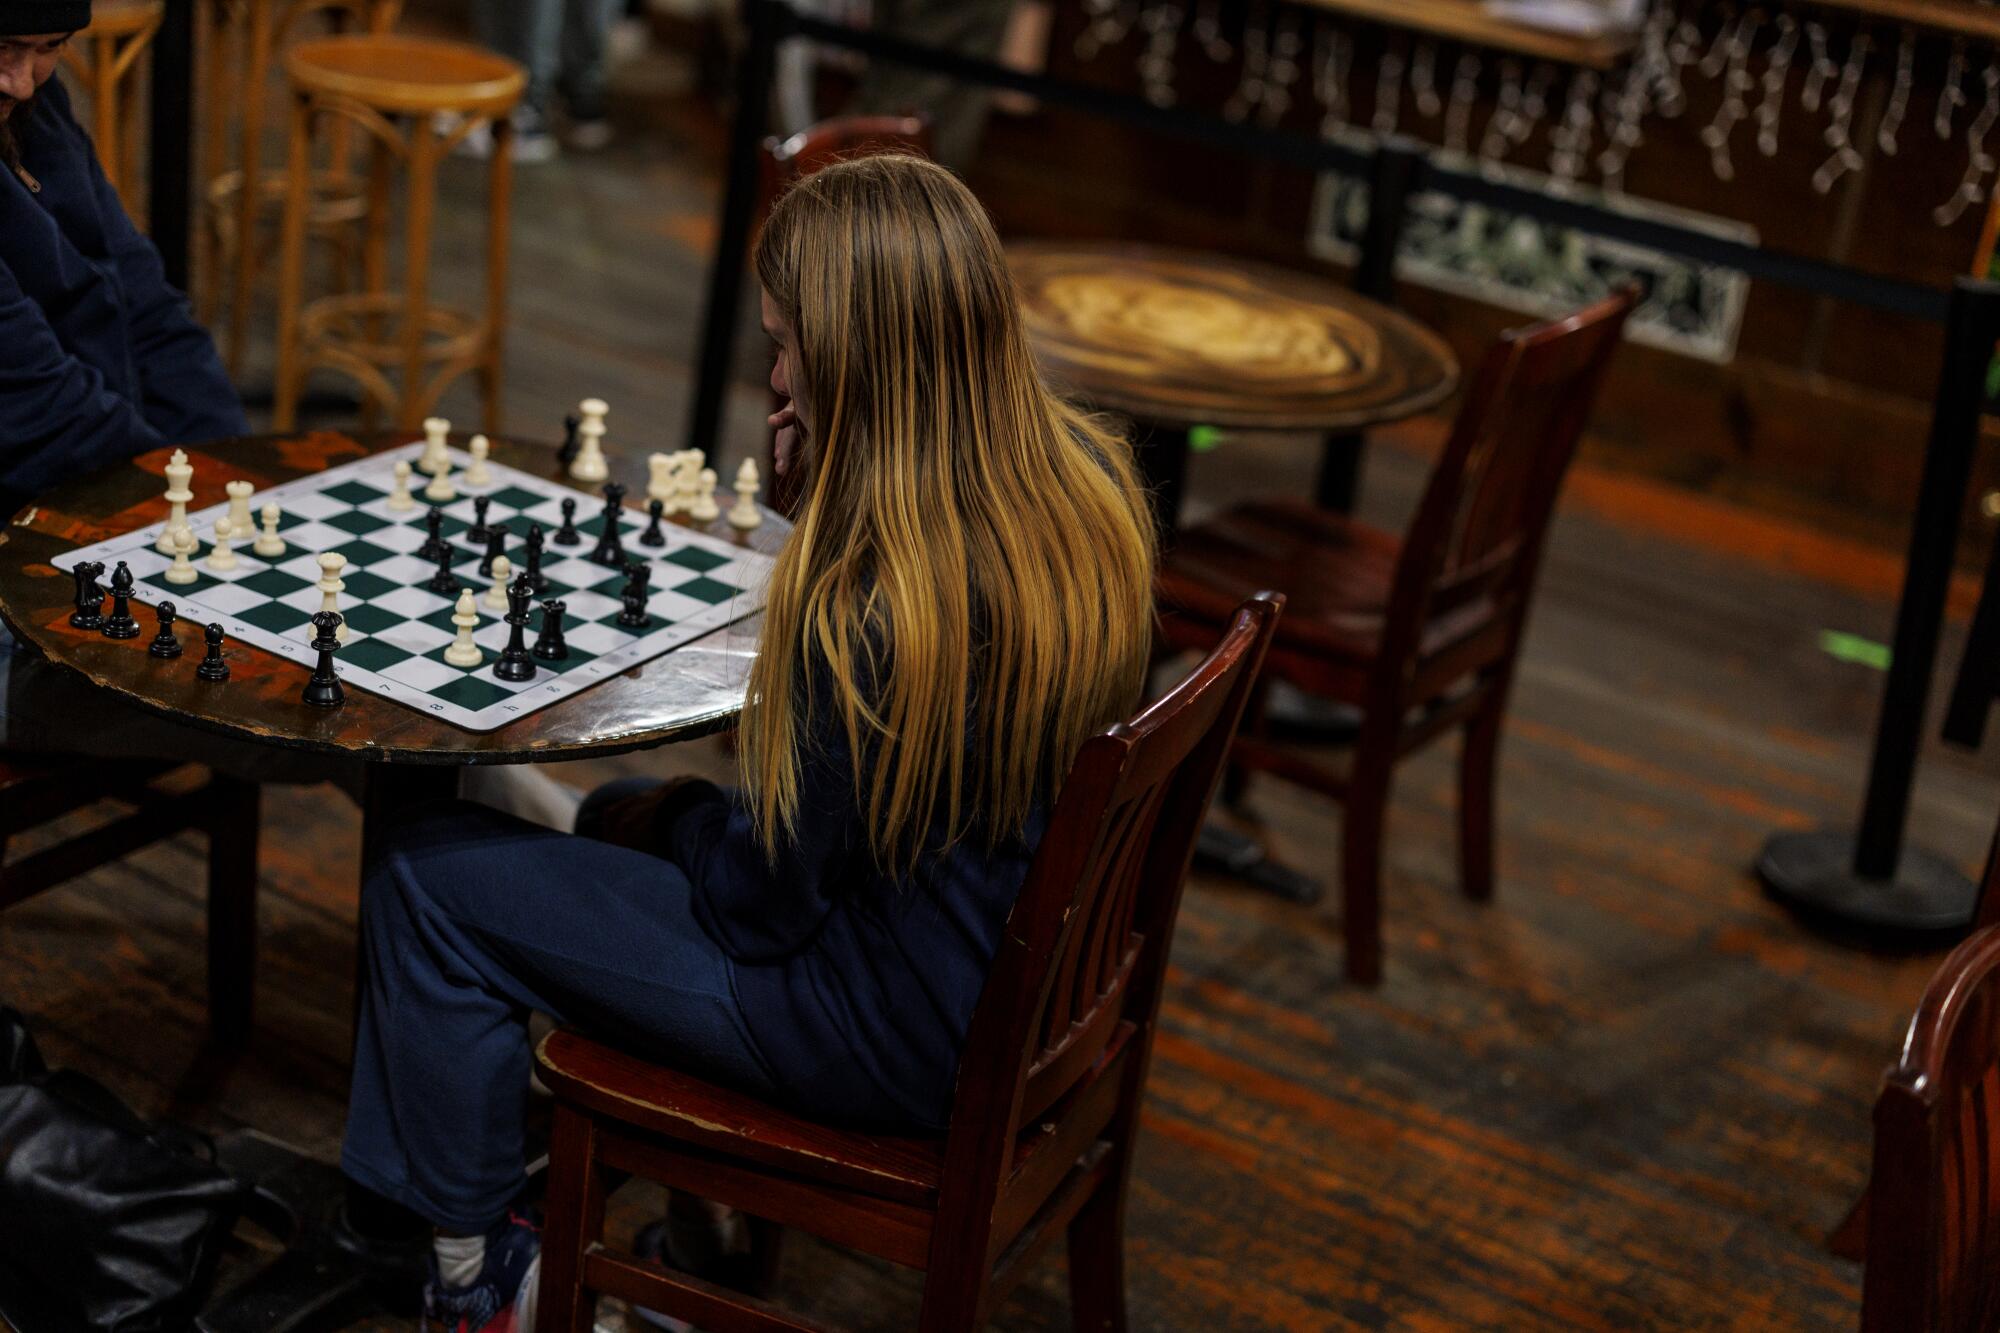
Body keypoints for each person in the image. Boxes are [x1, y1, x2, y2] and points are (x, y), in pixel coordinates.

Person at [338, 153, 1158, 1330]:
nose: (770, 377)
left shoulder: (873, 599)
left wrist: (665, 818)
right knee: (617, 809)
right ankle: (478, 1197)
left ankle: (478, 1281)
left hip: (871, 1026)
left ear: (852, 362)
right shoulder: (1084, 490)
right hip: (993, 984)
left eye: (784, 348)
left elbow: (762, 906)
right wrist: (650, 816)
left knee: (426, 874)